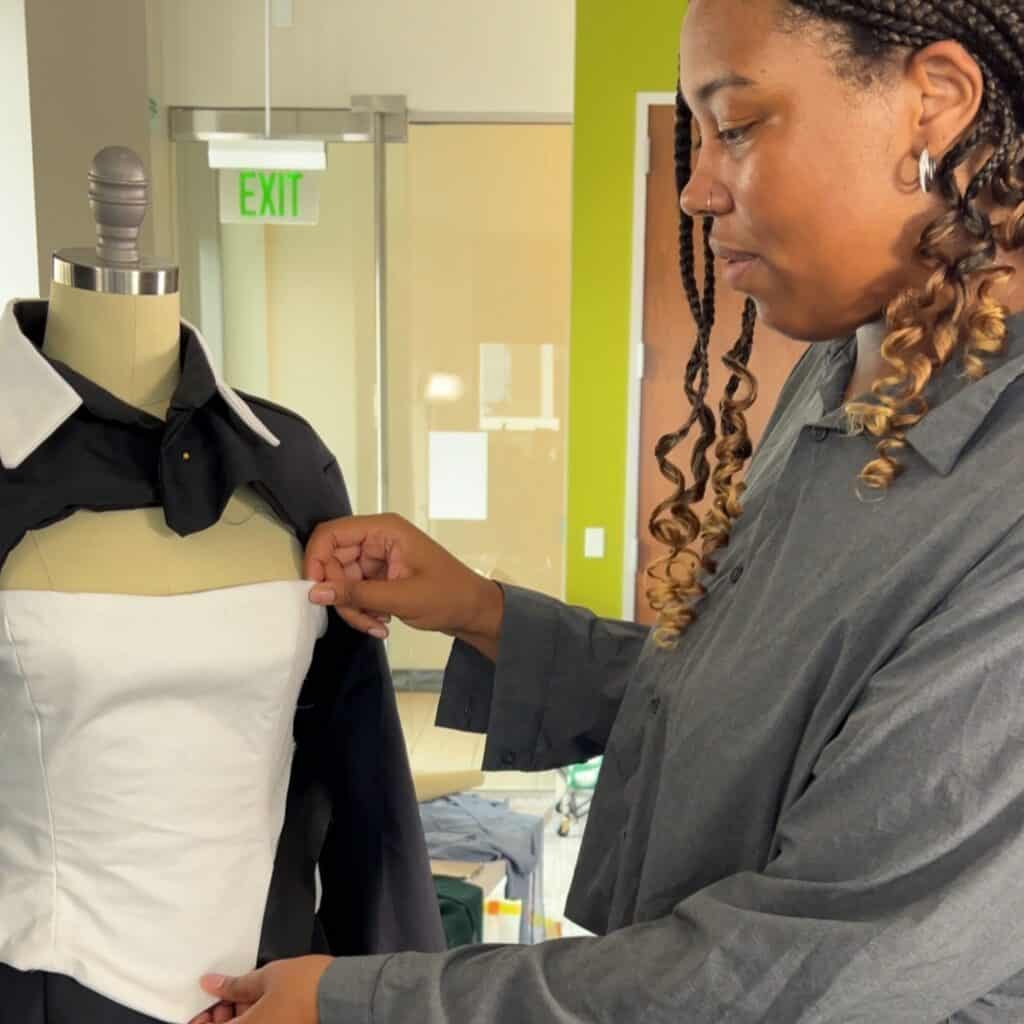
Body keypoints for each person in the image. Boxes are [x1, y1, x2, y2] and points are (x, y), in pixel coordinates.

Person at [189, 0, 1024, 1020]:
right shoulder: (847, 371)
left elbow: (808, 970)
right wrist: (478, 609)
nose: (697, 186)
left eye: (739, 124)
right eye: (694, 132)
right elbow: (754, 707)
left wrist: (367, 1004)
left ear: (934, 100)